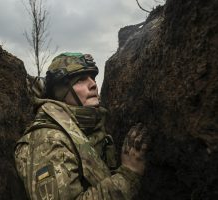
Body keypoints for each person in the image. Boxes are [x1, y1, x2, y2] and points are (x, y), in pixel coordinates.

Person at [14, 52, 148, 200]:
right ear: (61, 92)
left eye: (92, 77)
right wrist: (127, 175)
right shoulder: (48, 141)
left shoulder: (87, 128)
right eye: (81, 80)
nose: (93, 84)